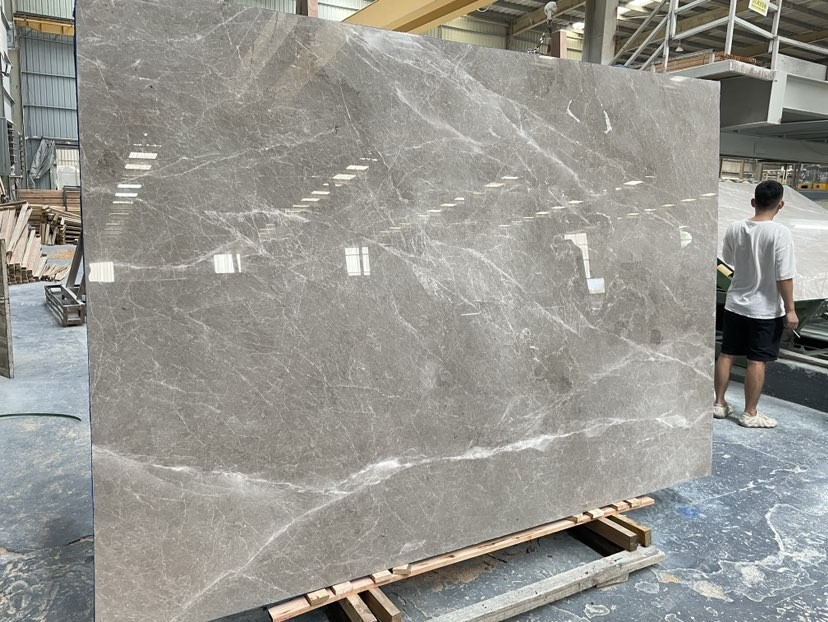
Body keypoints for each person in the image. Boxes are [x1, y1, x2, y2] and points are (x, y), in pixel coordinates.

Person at [713, 180, 798, 428]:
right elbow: (784, 276)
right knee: (756, 360)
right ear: (780, 205)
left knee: (727, 354)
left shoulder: (734, 228)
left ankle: (719, 403)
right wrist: (790, 310)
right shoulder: (780, 233)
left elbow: (728, 260)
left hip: (735, 304)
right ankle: (750, 414)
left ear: (753, 202)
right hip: (765, 310)